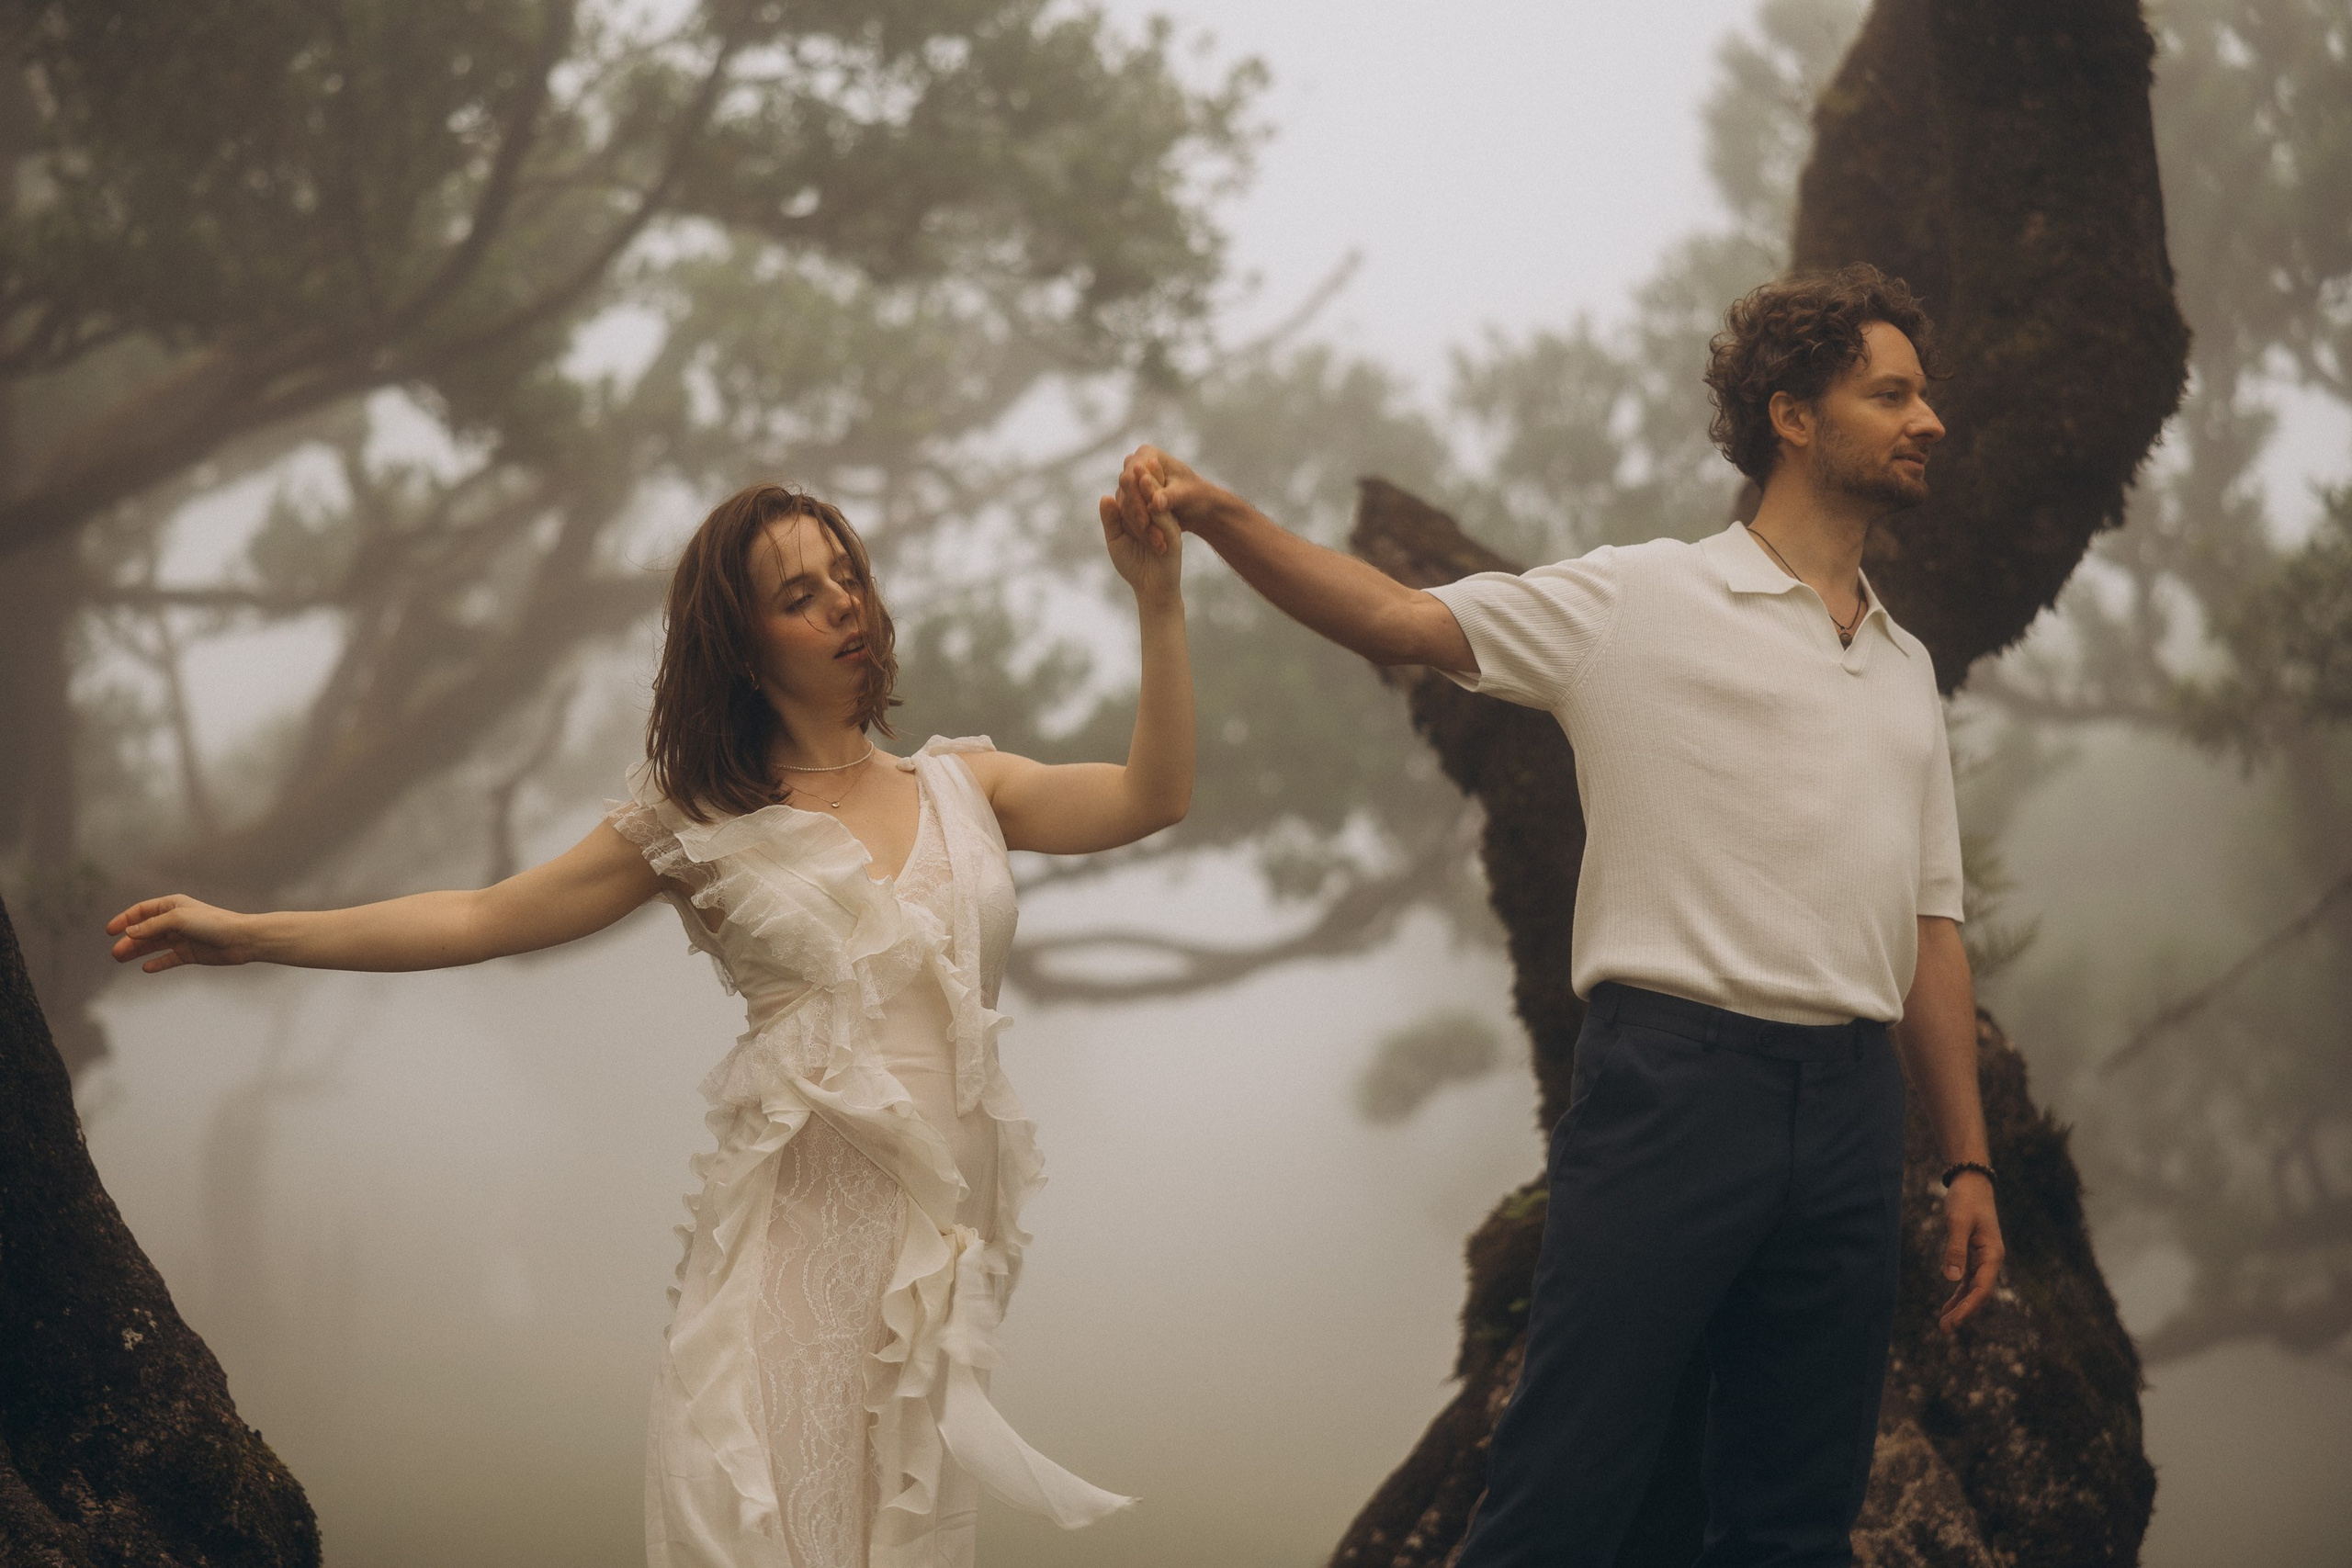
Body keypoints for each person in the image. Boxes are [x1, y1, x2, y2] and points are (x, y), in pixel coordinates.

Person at [106, 479, 1193, 1568]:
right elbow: (483, 916)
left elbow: (1153, 796)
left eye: (848, 576)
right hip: (786, 1271)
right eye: (799, 596)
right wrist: (254, 933)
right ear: (741, 646)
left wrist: (1157, 598)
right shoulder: (696, 819)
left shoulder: (966, 787)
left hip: (932, 1284)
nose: (842, 604)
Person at [1110, 264, 2005, 1567]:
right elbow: (1396, 617)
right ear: (1793, 416)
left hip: (1854, 1113)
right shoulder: (1640, 598)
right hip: (1676, 1085)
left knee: (1796, 1523)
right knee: (1562, 1495)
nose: (1930, 420)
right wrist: (1219, 514)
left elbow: (1930, 929)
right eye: (1892, 394)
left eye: (1923, 396)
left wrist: (1969, 1162)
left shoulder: (1904, 665)